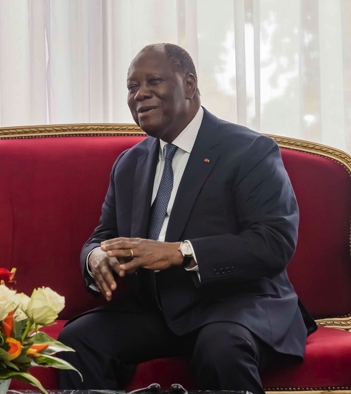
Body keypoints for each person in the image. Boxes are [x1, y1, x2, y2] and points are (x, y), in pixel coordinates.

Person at [58, 43, 315, 394]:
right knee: (76, 341)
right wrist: (96, 257)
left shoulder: (248, 150)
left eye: (154, 81)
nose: (140, 94)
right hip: (157, 309)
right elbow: (104, 234)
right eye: (132, 87)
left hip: (237, 305)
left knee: (220, 346)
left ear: (190, 86)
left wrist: (180, 252)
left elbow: (274, 242)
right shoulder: (130, 164)